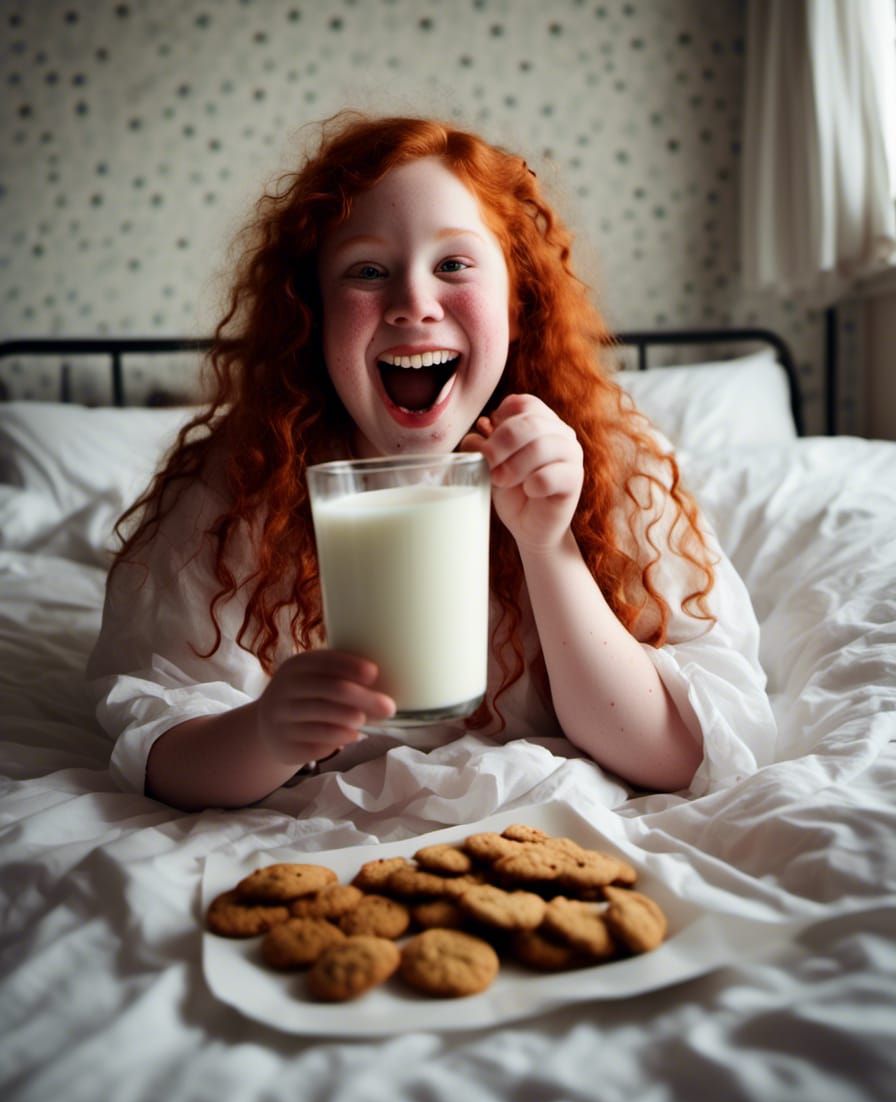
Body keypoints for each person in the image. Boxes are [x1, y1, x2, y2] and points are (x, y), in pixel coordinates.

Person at [87, 112, 776, 811]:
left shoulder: (614, 465)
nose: (413, 304)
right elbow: (158, 748)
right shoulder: (236, 494)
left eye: (453, 265)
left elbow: (680, 754)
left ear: (516, 302)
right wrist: (266, 733)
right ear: (312, 313)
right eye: (367, 271)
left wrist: (548, 546)